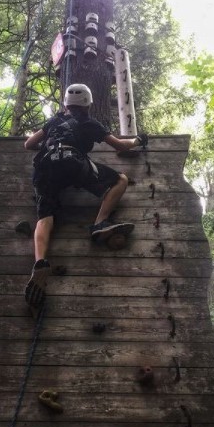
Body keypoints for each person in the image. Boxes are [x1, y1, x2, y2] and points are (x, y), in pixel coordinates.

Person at [24, 83, 148, 311]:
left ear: (66, 105)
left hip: (45, 169)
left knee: (45, 216)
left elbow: (29, 144)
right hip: (74, 164)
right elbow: (121, 146)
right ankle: (100, 223)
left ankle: (40, 261)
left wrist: (48, 145)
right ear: (89, 104)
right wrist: (139, 140)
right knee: (119, 179)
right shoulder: (91, 123)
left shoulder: (53, 122)